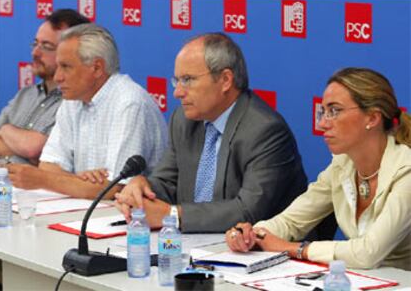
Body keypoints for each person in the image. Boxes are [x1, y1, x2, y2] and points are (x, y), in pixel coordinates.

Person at [115, 32, 308, 233]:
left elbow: (248, 211)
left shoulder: (264, 130)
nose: (177, 92)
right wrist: (141, 189)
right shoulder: (184, 120)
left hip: (259, 250)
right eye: (177, 81)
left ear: (225, 80)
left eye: (188, 80)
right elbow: (167, 183)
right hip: (198, 246)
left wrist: (173, 216)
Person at [226, 67, 411, 270]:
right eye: (323, 112)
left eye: (334, 111)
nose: (322, 123)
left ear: (372, 118)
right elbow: (291, 221)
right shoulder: (342, 165)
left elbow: (367, 253)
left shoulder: (406, 170)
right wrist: (251, 234)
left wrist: (295, 249)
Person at [7, 23, 168, 199]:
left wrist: (43, 180)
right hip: (86, 211)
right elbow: (49, 166)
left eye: (66, 67)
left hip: (132, 219)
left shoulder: (129, 103)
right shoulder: (73, 99)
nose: (57, 77)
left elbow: (115, 189)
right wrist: (79, 181)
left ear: (97, 68)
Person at [0, 9, 90, 165]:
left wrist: (5, 130)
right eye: (35, 44)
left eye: (46, 46)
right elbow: (31, 149)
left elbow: (35, 149)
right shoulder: (25, 94)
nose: (35, 53)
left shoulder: (77, 102)